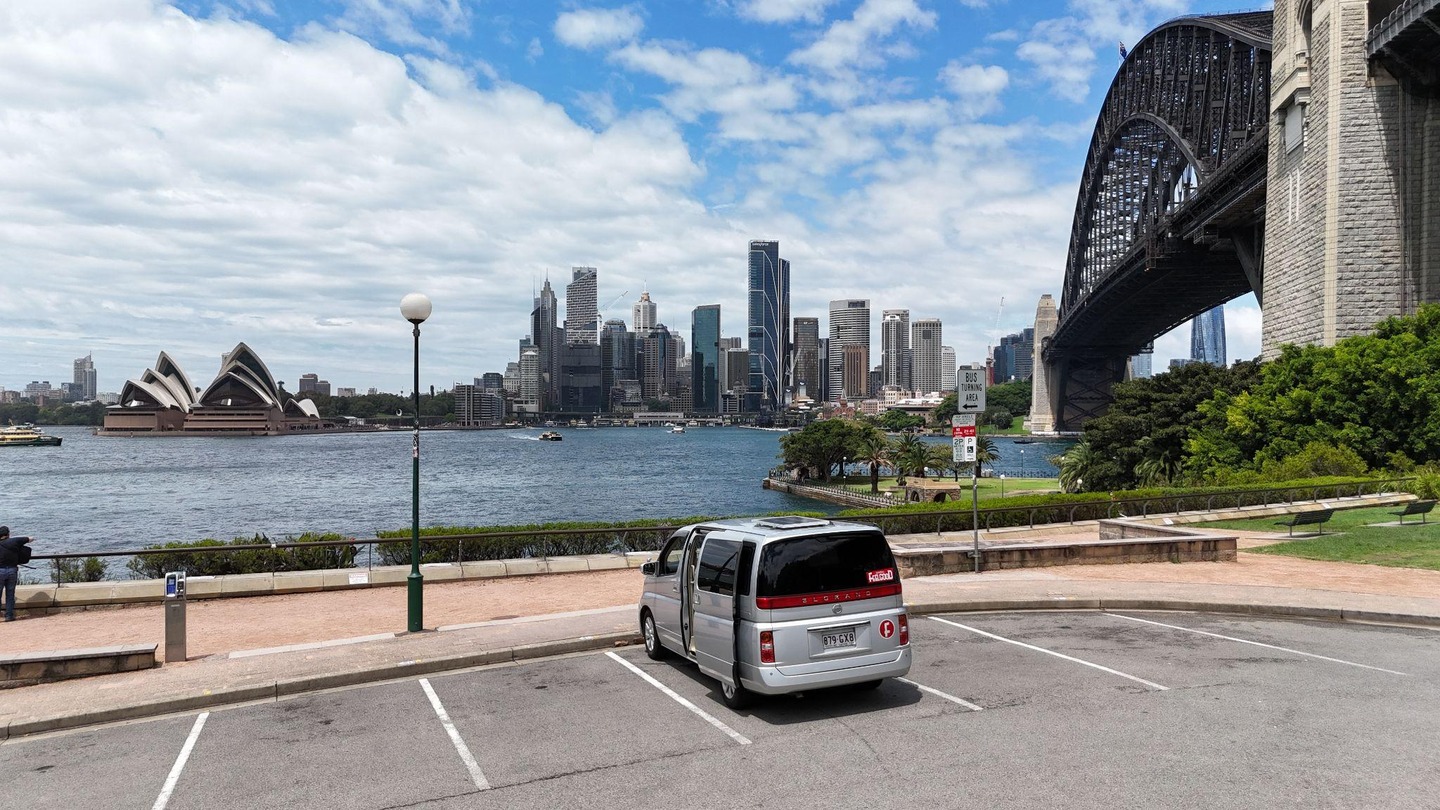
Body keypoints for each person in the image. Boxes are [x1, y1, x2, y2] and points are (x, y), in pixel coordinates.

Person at [0, 526, 34, 622]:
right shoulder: (14, 541)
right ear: (8, 534)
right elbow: (31, 538)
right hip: (12, 570)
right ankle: (9, 616)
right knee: (10, 594)